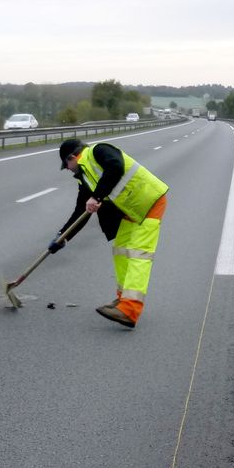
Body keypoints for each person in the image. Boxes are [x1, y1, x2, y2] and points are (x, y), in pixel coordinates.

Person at [49, 138, 169, 328]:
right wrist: (62, 237)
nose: (68, 169)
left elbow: (116, 166)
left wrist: (97, 196)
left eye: (67, 165)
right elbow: (82, 210)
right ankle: (123, 300)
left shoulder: (99, 151)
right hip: (131, 210)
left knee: (138, 255)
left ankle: (129, 309)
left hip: (148, 202)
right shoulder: (85, 176)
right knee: (121, 251)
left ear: (72, 157)